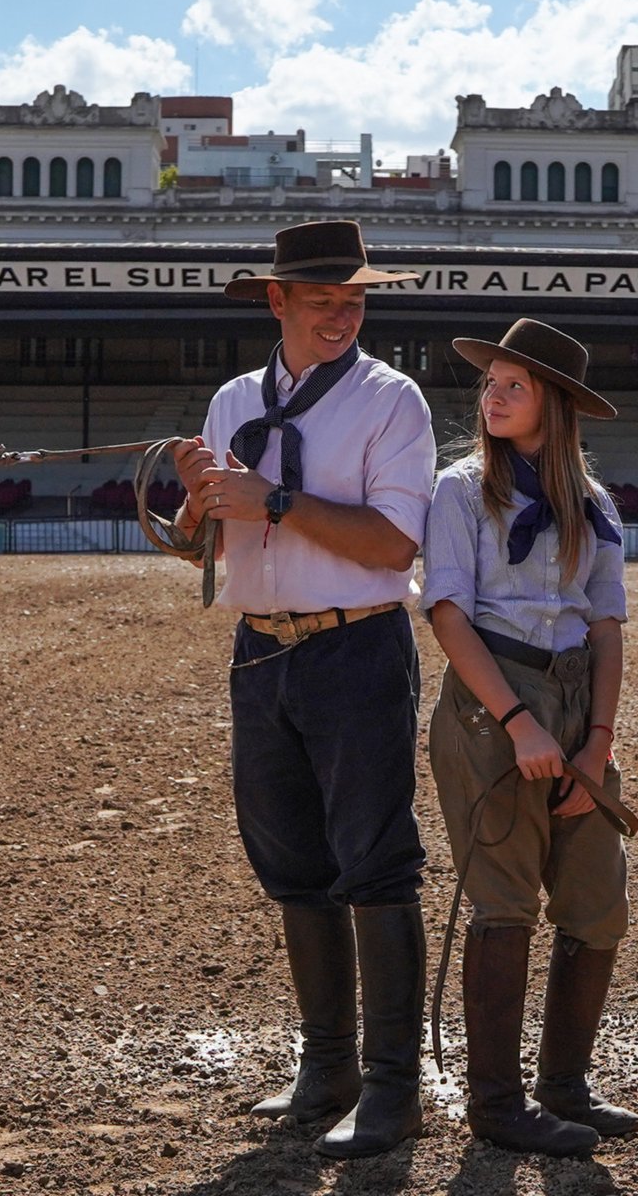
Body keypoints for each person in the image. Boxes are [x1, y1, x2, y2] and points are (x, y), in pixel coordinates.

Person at [167, 220, 437, 1159]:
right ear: (277, 301)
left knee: (374, 858)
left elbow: (395, 546)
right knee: (290, 860)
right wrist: (196, 506)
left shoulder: (391, 401)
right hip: (260, 649)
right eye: (323, 298)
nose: (342, 313)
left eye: (354, 298)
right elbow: (203, 543)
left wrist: (272, 500)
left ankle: (394, 1087)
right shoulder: (232, 399)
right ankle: (329, 1067)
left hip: (358, 648)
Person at [421, 318, 638, 1156]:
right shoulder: (459, 490)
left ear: (555, 402)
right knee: (505, 901)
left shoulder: (597, 504)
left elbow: (610, 626)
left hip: (580, 698)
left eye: (515, 384)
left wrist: (597, 744)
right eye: (491, 384)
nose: (494, 396)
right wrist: (517, 724)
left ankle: (565, 1086)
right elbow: (447, 613)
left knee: (598, 902)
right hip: (492, 699)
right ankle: (497, 1104)